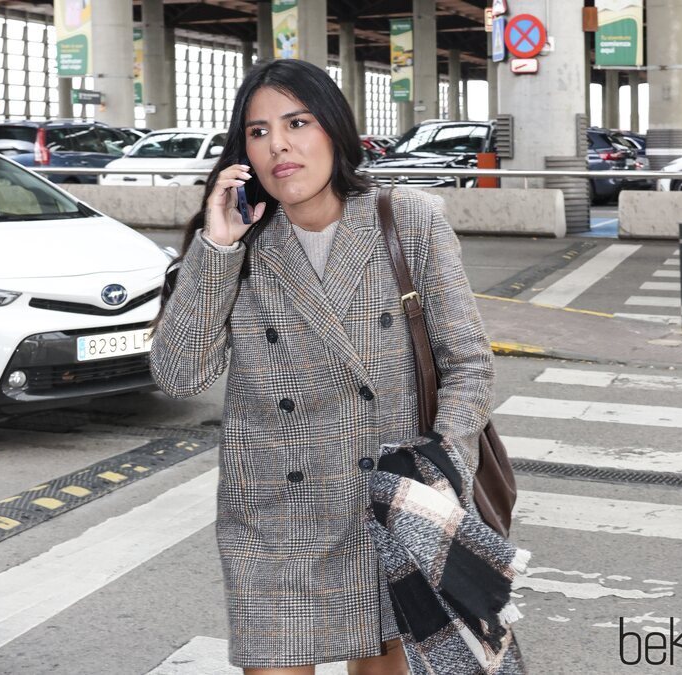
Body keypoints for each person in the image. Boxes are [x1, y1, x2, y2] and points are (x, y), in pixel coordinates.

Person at [149, 59, 495, 675]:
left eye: (297, 122)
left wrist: (440, 466)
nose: (278, 144)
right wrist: (217, 246)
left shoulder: (405, 219)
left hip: (387, 505)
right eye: (257, 132)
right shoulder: (239, 243)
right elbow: (179, 376)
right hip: (274, 515)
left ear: (334, 129)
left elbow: (467, 362)